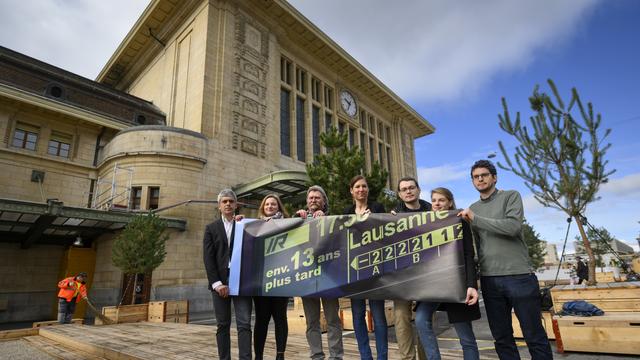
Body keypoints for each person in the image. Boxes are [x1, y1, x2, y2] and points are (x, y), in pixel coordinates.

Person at [459, 160, 553, 359]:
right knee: (502, 338)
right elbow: (477, 246)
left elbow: (512, 227)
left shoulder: (510, 196)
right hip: (490, 280)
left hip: (519, 277)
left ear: (494, 177)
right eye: (476, 177)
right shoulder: (473, 208)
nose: (480, 179)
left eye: (484, 175)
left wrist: (475, 218)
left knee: (533, 335)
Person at [414, 187, 480, 360]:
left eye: (441, 200)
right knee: (421, 319)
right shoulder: (425, 223)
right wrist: (395, 216)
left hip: (456, 284)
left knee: (465, 336)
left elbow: (468, 255)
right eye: (434, 200)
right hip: (433, 285)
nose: (437, 203)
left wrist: (471, 284)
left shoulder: (459, 222)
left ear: (449, 202)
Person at [203, 189, 252, 360]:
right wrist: (217, 284)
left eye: (231, 201)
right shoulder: (211, 228)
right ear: (219, 206)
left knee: (244, 324)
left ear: (236, 205)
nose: (228, 204)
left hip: (242, 281)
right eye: (224, 201)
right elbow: (208, 258)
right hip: (220, 284)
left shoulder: (245, 225)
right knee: (223, 325)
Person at [295, 185, 344, 360]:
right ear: (307, 201)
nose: (313, 200)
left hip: (328, 278)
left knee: (332, 320)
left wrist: (326, 220)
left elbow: (339, 242)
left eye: (317, 198)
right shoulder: (298, 219)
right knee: (312, 322)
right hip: (307, 278)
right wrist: (296, 218)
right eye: (311, 198)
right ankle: (316, 355)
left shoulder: (332, 219)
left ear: (324, 202)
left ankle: (336, 356)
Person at [343, 175, 388, 360]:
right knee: (358, 315)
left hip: (375, 270)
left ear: (367, 190)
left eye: (364, 186)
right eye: (358, 187)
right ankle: (365, 356)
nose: (361, 189)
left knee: (378, 316)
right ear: (352, 191)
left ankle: (382, 356)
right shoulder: (346, 211)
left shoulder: (378, 208)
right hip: (355, 273)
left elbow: (386, 232)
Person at [391, 177, 428, 360]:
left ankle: (425, 357)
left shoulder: (433, 210)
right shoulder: (393, 216)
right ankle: (407, 358)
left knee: (425, 321)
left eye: (411, 188)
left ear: (418, 190)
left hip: (427, 275)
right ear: (399, 194)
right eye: (404, 189)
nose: (408, 191)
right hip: (403, 276)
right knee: (401, 318)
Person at [254, 194, 290, 360]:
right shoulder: (255, 225)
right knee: (261, 319)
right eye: (267, 204)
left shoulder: (287, 223)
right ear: (263, 207)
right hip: (261, 281)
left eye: (273, 204)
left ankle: (280, 355)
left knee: (280, 318)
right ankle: (259, 356)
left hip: (281, 279)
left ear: (279, 207)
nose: (270, 206)